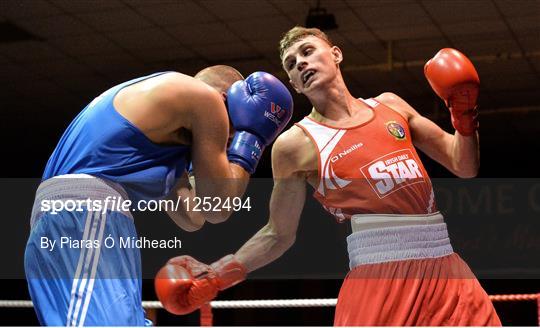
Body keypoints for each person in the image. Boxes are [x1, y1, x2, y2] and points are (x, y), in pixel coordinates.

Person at [155, 27, 501, 326]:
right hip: (381, 275)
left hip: (448, 267)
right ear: (292, 83)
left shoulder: (391, 106)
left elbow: (463, 164)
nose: (301, 63)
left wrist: (463, 114)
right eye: (292, 64)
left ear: (335, 54)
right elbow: (277, 234)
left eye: (307, 52)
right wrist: (215, 277)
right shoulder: (296, 144)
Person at [24, 66, 293, 326]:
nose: (224, 142)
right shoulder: (206, 98)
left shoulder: (160, 130)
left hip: (66, 221)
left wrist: (195, 165)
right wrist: (250, 142)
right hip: (86, 217)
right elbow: (218, 208)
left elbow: (192, 217)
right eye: (227, 134)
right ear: (227, 99)